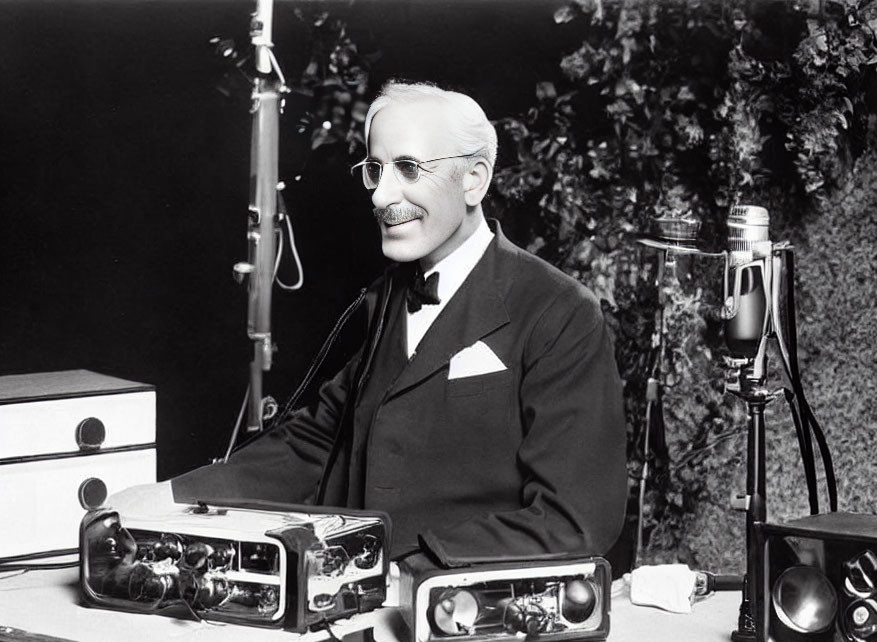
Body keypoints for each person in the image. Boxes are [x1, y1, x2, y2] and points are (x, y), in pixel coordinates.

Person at [113, 80, 627, 568]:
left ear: (475, 179)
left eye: (407, 168)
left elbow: (574, 518)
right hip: (355, 599)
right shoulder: (385, 299)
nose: (380, 196)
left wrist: (402, 573)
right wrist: (173, 496)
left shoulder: (560, 311)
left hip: (452, 615)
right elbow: (316, 443)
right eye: (375, 170)